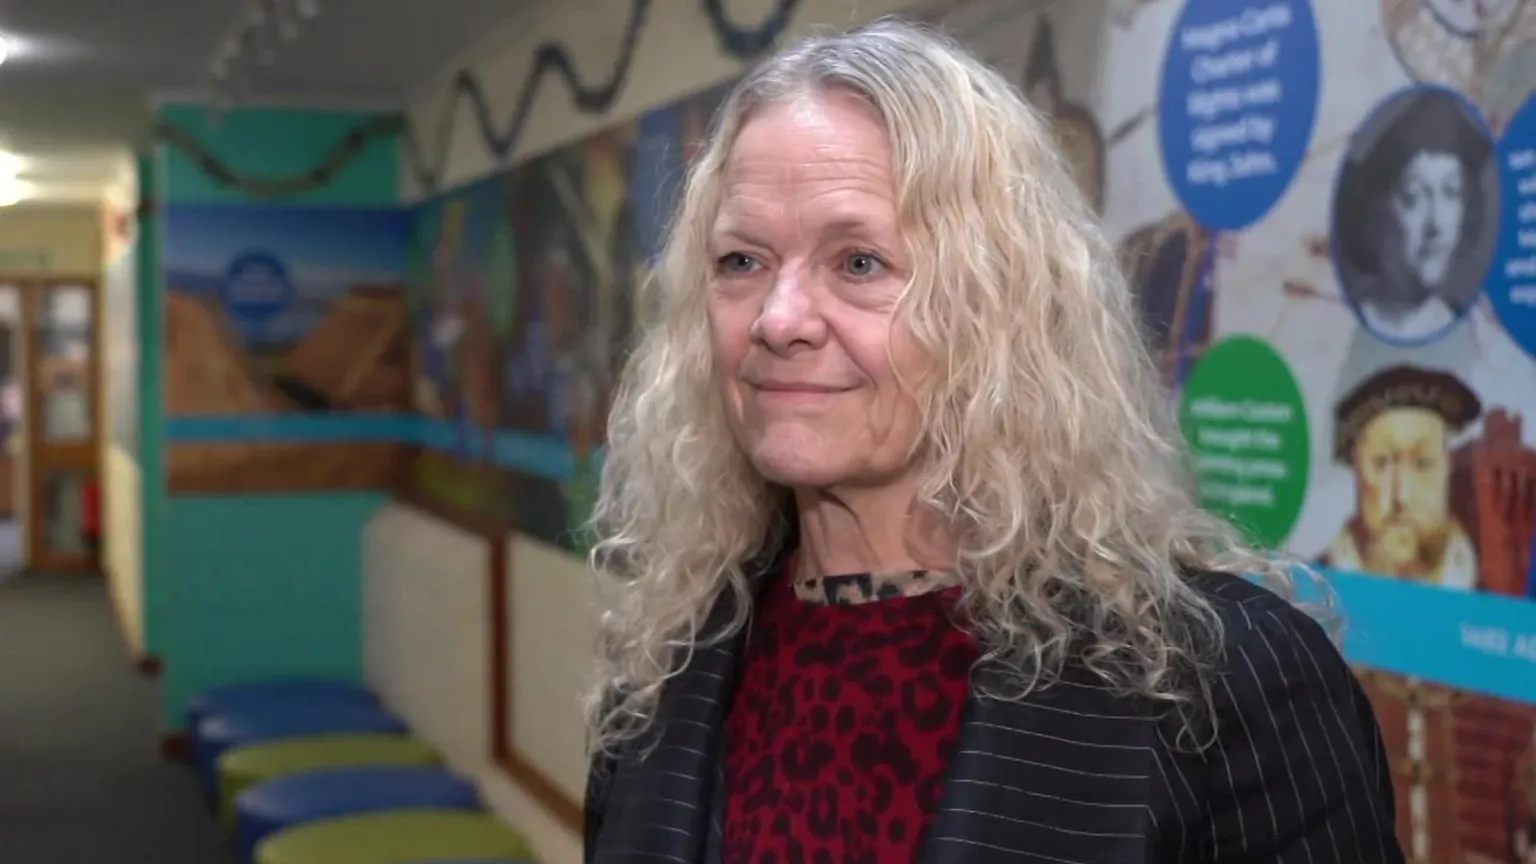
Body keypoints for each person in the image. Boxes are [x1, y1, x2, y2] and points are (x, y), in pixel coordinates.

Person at [582, 18, 1403, 864]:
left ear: (999, 310)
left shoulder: (1228, 681)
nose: (778, 319)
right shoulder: (663, 678)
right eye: (742, 262)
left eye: (859, 262)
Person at [1332, 87, 1492, 345]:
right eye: (1413, 197)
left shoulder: (1476, 340)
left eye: (1452, 193)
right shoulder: (1341, 328)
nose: (1437, 224)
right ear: (1375, 213)